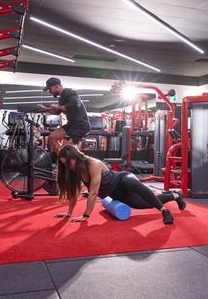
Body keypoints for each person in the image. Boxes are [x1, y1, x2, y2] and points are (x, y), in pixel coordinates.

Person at [54, 145, 186, 224]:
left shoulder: (92, 164)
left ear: (75, 158)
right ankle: (175, 195)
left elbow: (94, 193)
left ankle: (165, 211)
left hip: (122, 179)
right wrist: (69, 212)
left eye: (67, 163)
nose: (66, 166)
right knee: (142, 203)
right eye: (63, 164)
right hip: (117, 194)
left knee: (134, 185)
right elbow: (72, 193)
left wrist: (86, 216)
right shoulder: (73, 170)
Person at [37, 77, 91, 155]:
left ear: (56, 86)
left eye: (50, 88)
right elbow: (57, 112)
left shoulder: (70, 92)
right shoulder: (61, 98)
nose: (49, 91)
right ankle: (62, 161)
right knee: (52, 137)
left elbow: (75, 105)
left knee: (66, 150)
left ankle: (67, 161)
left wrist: (57, 107)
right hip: (71, 124)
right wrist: (44, 108)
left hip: (80, 125)